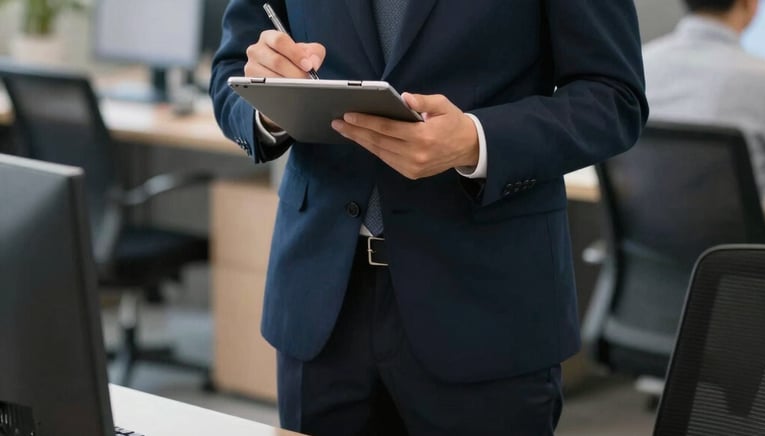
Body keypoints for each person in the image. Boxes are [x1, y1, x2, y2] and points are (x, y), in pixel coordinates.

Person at [210, 1, 647, 434]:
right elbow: (231, 70)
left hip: (487, 305)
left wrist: (475, 141)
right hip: (321, 300)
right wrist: (269, 103)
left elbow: (613, 96)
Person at [644, 0, 765, 199]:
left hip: (645, 228)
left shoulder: (641, 67)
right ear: (749, 3)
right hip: (741, 228)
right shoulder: (763, 80)